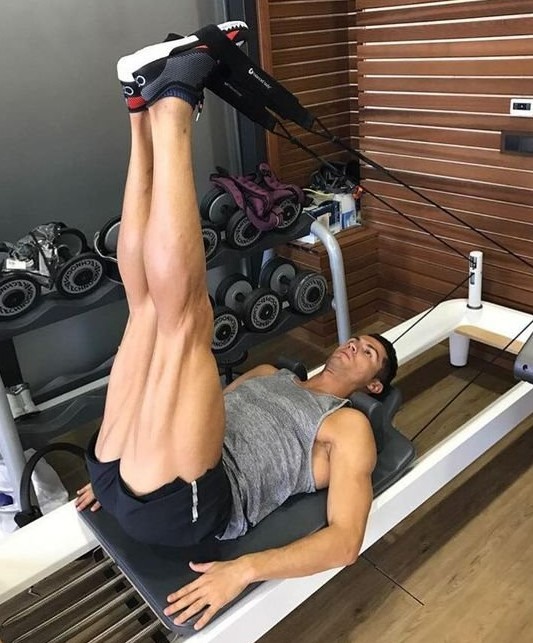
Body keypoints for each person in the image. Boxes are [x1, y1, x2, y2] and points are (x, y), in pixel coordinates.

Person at [75, 22, 398, 631]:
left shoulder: (350, 426)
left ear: (373, 387)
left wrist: (244, 569)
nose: (358, 342)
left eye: (372, 355)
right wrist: (119, 466)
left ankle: (178, 97)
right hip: (139, 470)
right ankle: (141, 105)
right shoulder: (273, 371)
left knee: (183, 323)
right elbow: (195, 412)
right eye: (361, 337)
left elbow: (345, 540)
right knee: (146, 307)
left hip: (189, 506)